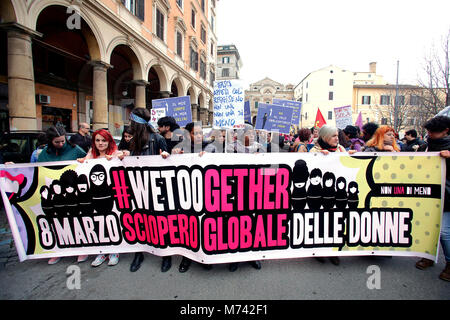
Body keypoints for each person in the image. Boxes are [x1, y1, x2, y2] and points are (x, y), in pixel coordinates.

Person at [126, 107, 170, 273]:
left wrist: (166, 156)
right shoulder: (132, 141)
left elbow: (168, 162)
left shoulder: (157, 139)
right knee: (139, 220)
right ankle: (139, 253)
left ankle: (166, 254)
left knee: (160, 221)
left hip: (156, 188)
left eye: (132, 121)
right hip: (138, 187)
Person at [37, 126, 87, 264]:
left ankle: (82, 250)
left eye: (62, 141)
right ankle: (59, 250)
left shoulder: (76, 150)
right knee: (57, 222)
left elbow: (87, 164)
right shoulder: (43, 154)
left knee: (76, 221)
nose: (60, 144)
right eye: (56, 142)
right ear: (49, 141)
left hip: (72, 192)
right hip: (55, 193)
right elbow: (35, 171)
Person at [77, 129, 125, 267]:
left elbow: (123, 157)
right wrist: (81, 163)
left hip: (111, 197)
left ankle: (115, 251)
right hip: (95, 197)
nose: (100, 143)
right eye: (97, 140)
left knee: (113, 222)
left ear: (109, 141)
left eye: (103, 140)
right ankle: (102, 251)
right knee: (100, 224)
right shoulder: (91, 154)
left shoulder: (114, 153)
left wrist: (118, 157)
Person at [309, 125, 356, 265]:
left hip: (337, 193)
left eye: (337, 135)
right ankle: (318, 250)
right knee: (320, 222)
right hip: (320, 194)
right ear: (325, 137)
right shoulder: (314, 150)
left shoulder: (341, 149)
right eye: (334, 136)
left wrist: (352, 157)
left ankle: (334, 251)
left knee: (335, 222)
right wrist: (319, 158)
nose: (337, 138)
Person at [414, 116, 450, 281]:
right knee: (428, 225)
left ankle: (449, 263)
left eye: (432, 131)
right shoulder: (425, 147)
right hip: (428, 194)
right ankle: (428, 254)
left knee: (444, 232)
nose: (428, 134)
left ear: (446, 131)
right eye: (428, 131)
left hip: (447, 197)